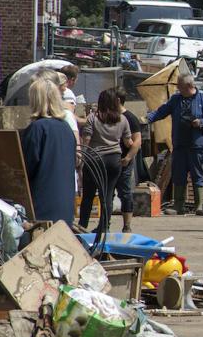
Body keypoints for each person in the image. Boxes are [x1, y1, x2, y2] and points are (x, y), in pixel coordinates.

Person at [147, 73, 203, 216]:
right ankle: (179, 205)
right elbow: (161, 112)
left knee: (198, 174)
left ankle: (199, 206)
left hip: (197, 144)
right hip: (179, 144)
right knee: (179, 175)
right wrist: (146, 119)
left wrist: (201, 122)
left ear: (189, 86)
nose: (177, 87)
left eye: (179, 85)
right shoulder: (175, 99)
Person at [21, 78, 77, 225]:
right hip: (65, 206)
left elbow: (25, 168)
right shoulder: (66, 128)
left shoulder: (37, 128)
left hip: (42, 206)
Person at [79, 88, 131, 232]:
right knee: (107, 195)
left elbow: (86, 141)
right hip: (114, 160)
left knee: (88, 196)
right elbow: (128, 142)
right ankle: (104, 227)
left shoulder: (92, 118)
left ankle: (82, 226)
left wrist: (81, 161)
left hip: (95, 160)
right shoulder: (123, 119)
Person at [115, 87, 143, 232]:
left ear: (118, 100)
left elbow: (137, 141)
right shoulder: (109, 116)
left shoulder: (130, 118)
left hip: (124, 161)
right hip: (111, 160)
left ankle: (127, 225)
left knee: (125, 193)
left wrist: (127, 157)